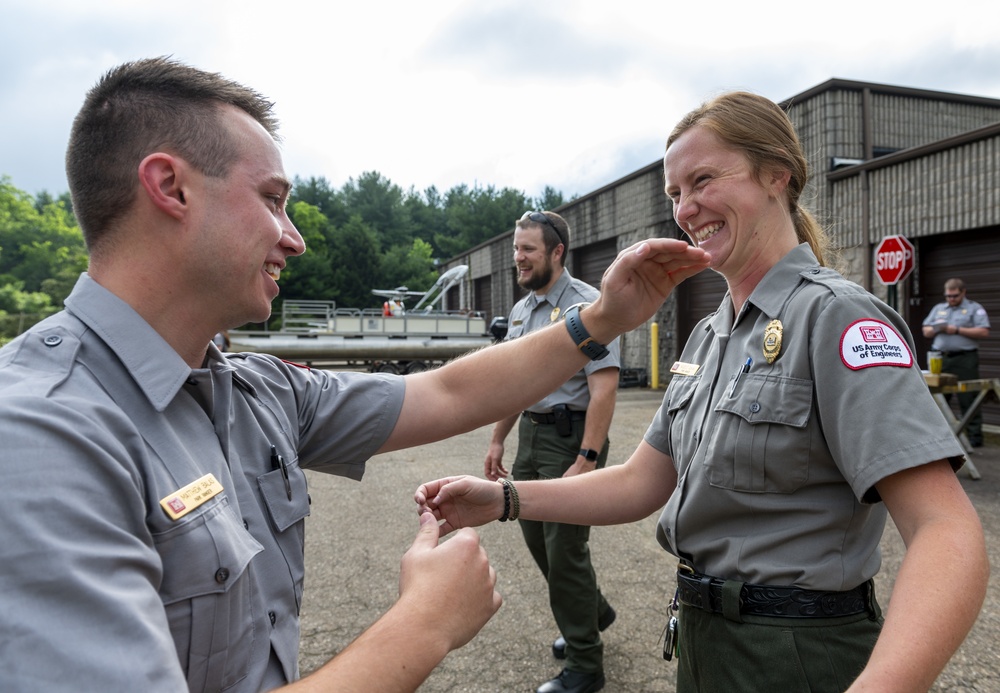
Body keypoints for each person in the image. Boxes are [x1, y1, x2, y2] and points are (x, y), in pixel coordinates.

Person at [0, 58, 711, 692]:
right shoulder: (39, 436)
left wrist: (602, 320)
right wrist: (421, 626)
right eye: (273, 199)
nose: (295, 236)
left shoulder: (254, 393)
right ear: (170, 187)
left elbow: (446, 390)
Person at [417, 91, 989, 693]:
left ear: (777, 176)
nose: (686, 209)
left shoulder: (838, 320)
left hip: (796, 655)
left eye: (703, 180)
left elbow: (945, 529)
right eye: (674, 194)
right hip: (704, 642)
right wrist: (501, 498)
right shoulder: (709, 336)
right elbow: (643, 481)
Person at [484, 210, 619, 693]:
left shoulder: (589, 306)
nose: (517, 259)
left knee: (566, 554)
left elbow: (603, 389)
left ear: (556, 253)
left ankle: (585, 664)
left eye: (527, 250)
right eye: (515, 250)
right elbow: (517, 385)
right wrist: (499, 436)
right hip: (531, 441)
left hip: (571, 439)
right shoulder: (522, 312)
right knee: (538, 542)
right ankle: (593, 611)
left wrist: (587, 458)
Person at [922, 278, 991, 446]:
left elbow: (983, 332)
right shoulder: (938, 309)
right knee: (938, 398)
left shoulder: (974, 309)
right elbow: (926, 331)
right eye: (948, 296)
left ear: (963, 292)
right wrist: (937, 328)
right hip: (941, 358)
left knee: (969, 397)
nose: (951, 299)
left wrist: (957, 330)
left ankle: (975, 438)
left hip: (965, 359)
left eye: (955, 296)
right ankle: (940, 438)